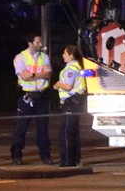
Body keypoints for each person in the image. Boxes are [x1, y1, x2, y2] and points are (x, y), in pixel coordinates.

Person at [10, 32, 56, 165]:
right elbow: (23, 76)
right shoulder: (20, 57)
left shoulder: (44, 56)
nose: (40, 44)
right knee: (21, 128)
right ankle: (16, 155)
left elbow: (48, 74)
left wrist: (33, 75)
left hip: (42, 96)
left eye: (40, 42)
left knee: (43, 129)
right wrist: (40, 74)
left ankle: (45, 156)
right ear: (30, 43)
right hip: (26, 96)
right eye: (37, 42)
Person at [53, 45, 86, 167]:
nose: (63, 55)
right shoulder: (78, 66)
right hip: (76, 102)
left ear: (71, 55)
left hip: (70, 102)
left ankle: (66, 161)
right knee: (73, 132)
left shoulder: (70, 69)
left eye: (65, 53)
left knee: (66, 132)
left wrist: (57, 84)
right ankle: (75, 160)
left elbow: (68, 86)